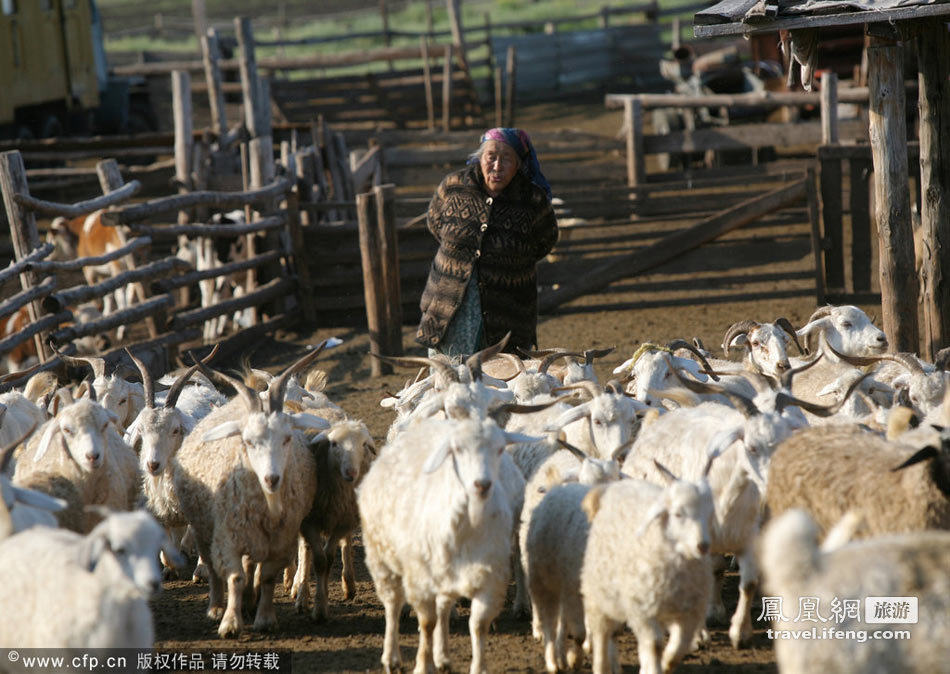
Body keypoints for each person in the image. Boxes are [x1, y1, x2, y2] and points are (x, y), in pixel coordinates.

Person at [415, 128, 559, 360]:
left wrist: (505, 262)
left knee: (502, 382)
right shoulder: (453, 187)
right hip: (449, 305)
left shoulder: (533, 200)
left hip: (508, 308)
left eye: (506, 158)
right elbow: (435, 223)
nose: (497, 165)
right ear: (480, 157)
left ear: (519, 164)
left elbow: (545, 241)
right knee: (450, 379)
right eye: (491, 156)